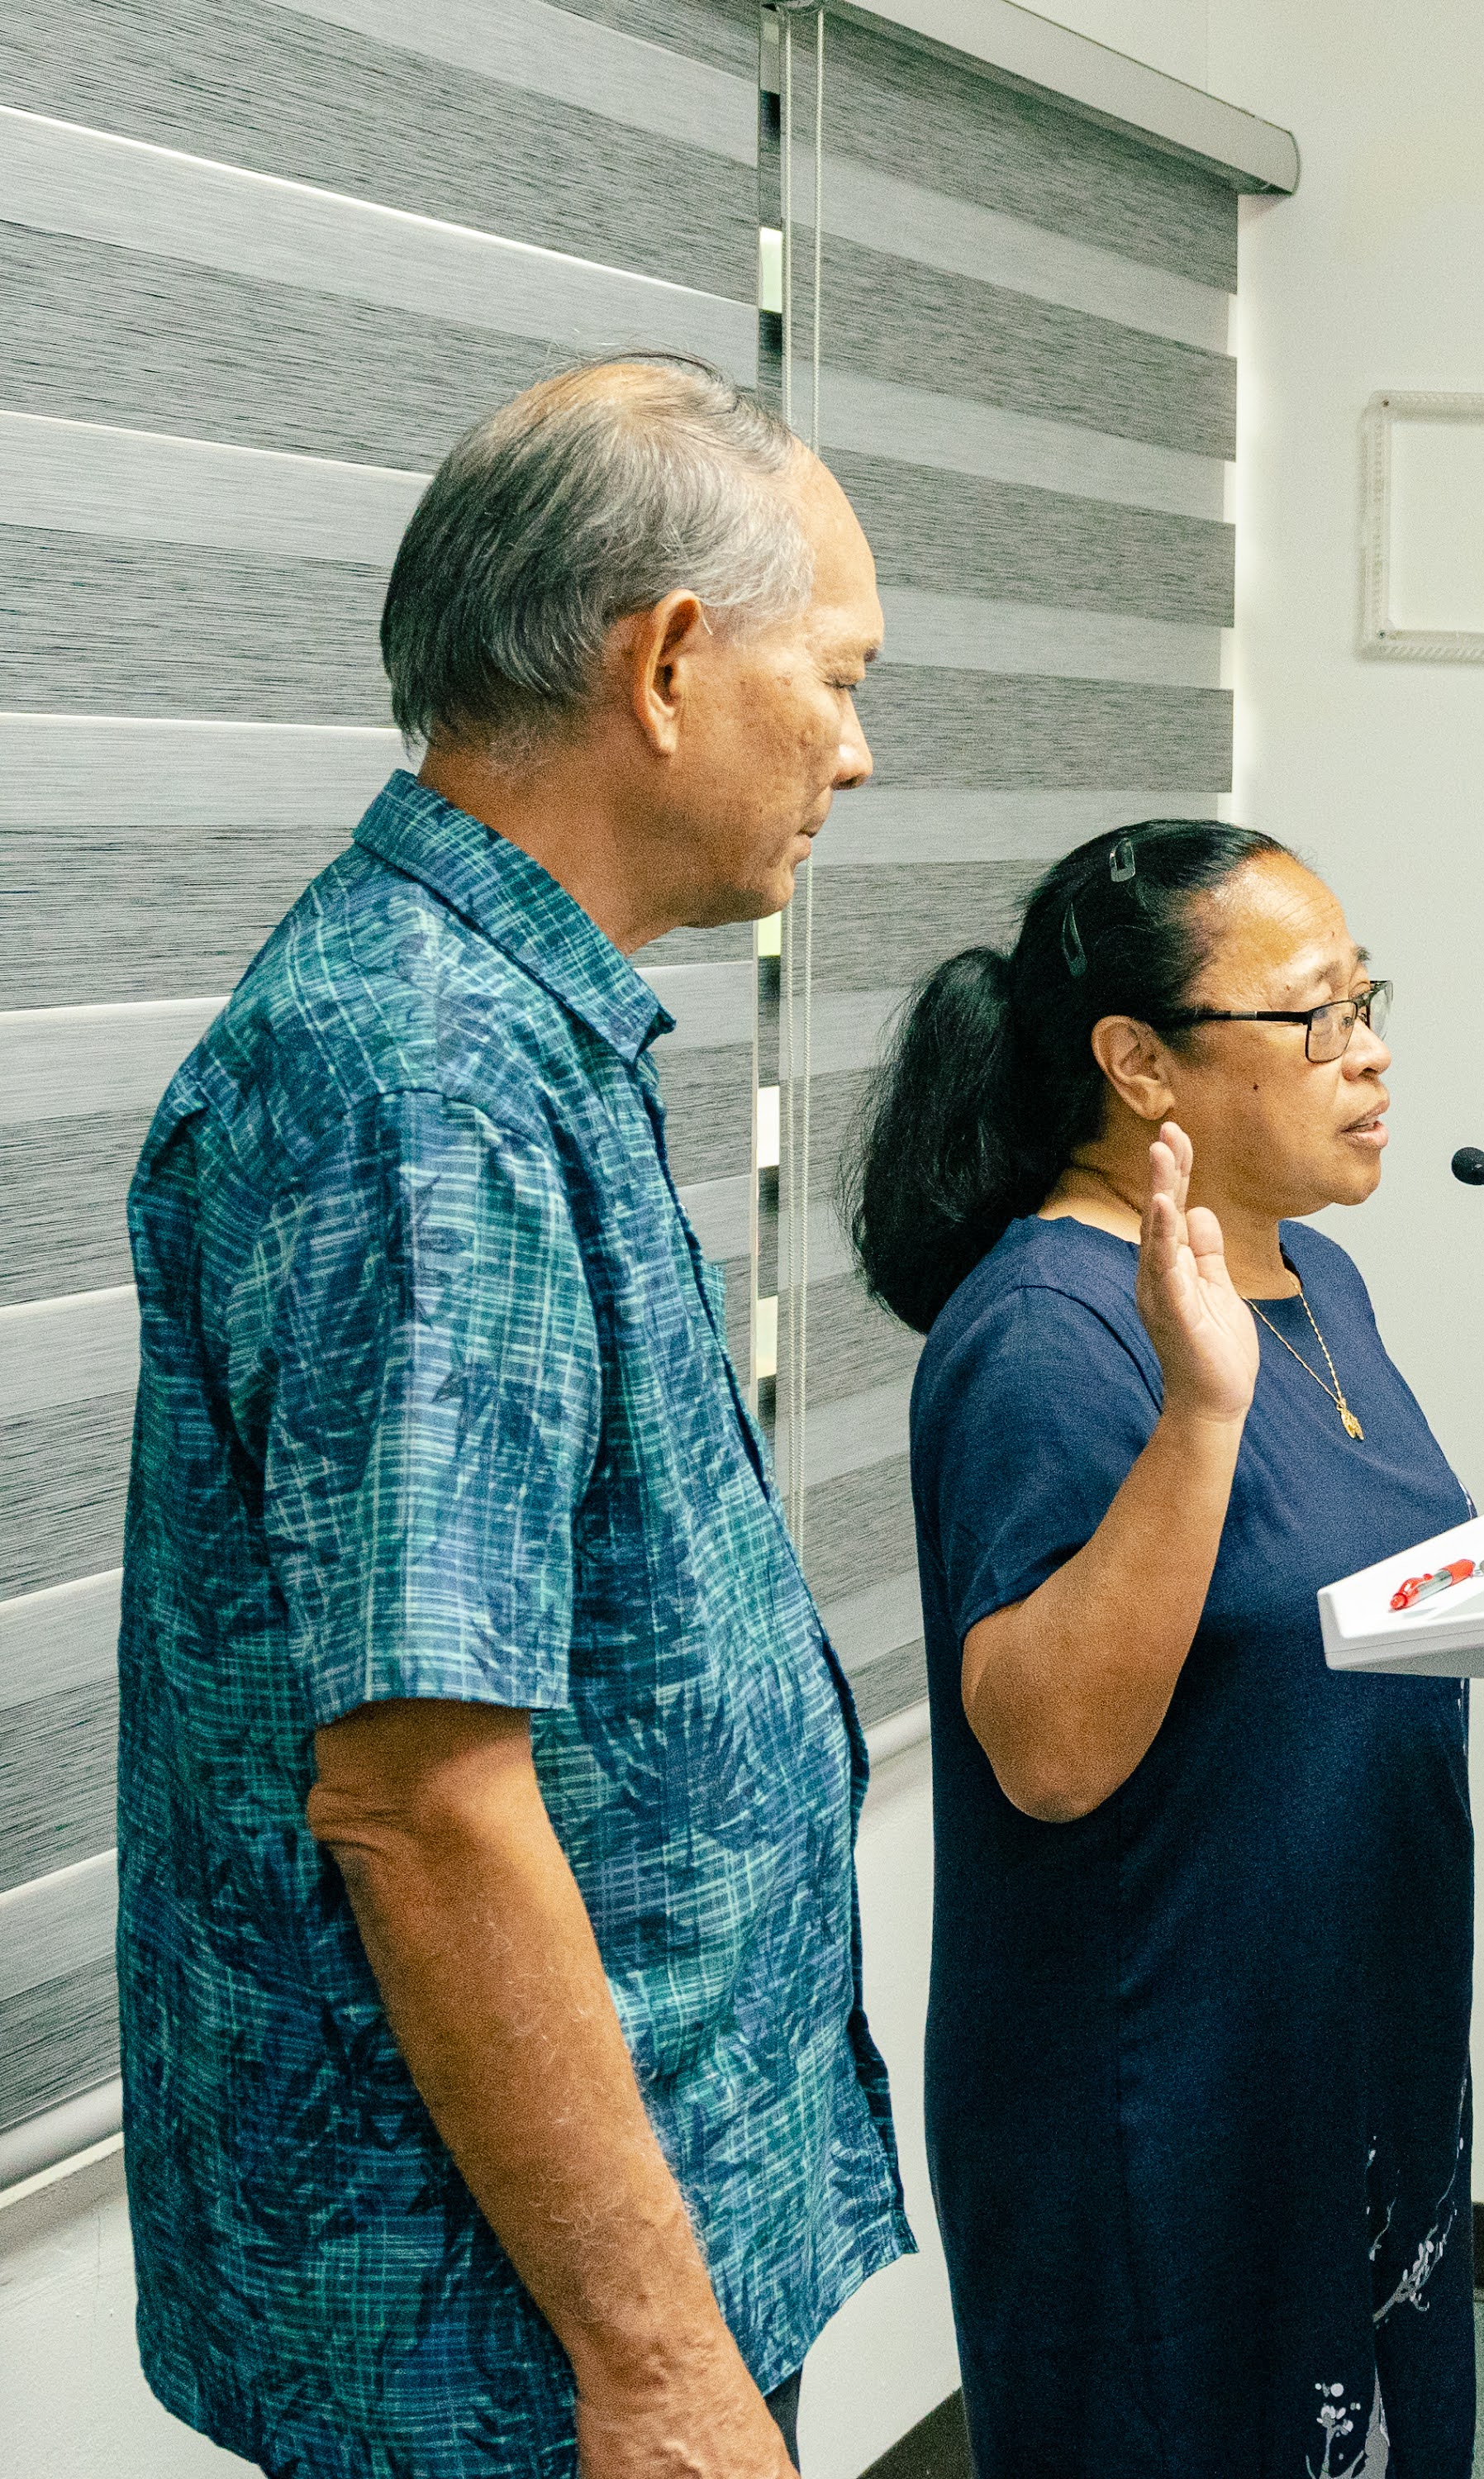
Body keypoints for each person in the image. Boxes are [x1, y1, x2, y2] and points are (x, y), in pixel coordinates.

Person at [117, 357, 902, 2478]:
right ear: (665, 666)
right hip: (502, 2334)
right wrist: (651, 2362)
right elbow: (421, 1796)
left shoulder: (506, 1032)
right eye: (831, 679)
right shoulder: (422, 1086)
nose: (857, 749)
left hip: (574, 2265)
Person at [851, 821, 1478, 2475]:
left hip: (1338, 2060)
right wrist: (1200, 1413)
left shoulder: (1315, 1282)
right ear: (1137, 1062)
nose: (1369, 1051)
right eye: (1313, 1014)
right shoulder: (1051, 1333)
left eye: (1366, 999)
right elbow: (1048, 1755)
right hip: (1160, 2110)